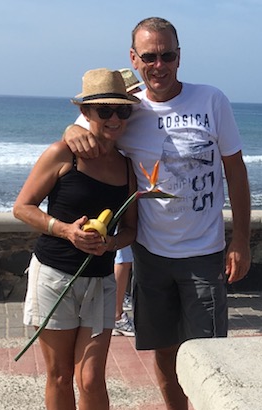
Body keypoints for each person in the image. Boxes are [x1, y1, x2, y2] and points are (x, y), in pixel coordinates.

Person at [63, 17, 251, 410]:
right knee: (164, 351)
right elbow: (81, 128)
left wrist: (240, 238)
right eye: (149, 56)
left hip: (204, 253)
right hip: (149, 254)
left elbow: (236, 171)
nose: (159, 64)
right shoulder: (124, 108)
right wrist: (70, 131)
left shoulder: (211, 99)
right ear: (134, 59)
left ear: (179, 56)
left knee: (208, 358)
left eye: (167, 55)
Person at [14, 68, 138, 410]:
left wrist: (110, 242)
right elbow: (22, 207)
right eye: (104, 111)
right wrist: (66, 231)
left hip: (99, 282)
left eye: (122, 112)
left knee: (91, 377)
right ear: (87, 111)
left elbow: (130, 230)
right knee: (60, 375)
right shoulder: (61, 153)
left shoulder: (128, 166)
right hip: (54, 276)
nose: (114, 120)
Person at [111, 68, 143, 337]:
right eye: (133, 91)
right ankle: (117, 314)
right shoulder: (117, 117)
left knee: (125, 256)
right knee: (123, 257)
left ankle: (119, 305)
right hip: (119, 195)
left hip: (128, 192)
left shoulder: (128, 116)